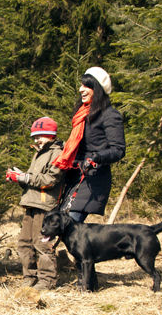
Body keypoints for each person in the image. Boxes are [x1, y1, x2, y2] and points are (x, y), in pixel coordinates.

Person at [53, 67, 126, 223]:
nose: (81, 89)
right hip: (74, 177)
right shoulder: (82, 114)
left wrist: (97, 157)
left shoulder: (110, 115)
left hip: (92, 178)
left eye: (87, 86)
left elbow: (118, 150)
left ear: (97, 89)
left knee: (70, 224)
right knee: (63, 226)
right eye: (81, 85)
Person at [6, 117, 64, 290]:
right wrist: (19, 178)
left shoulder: (57, 153)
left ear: (52, 135)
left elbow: (50, 180)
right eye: (35, 136)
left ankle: (46, 281)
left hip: (45, 205)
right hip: (31, 202)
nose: (37, 139)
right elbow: (34, 180)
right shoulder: (39, 153)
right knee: (24, 242)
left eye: (41, 136)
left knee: (42, 244)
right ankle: (29, 277)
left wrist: (25, 177)